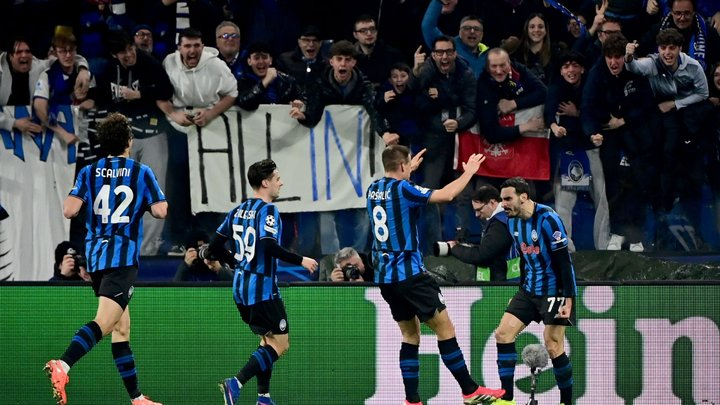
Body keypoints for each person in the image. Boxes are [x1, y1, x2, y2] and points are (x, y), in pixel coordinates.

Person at [45, 112, 168, 405]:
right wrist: (142, 205)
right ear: (129, 141)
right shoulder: (141, 171)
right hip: (121, 259)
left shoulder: (89, 172)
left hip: (97, 258)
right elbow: (160, 210)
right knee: (103, 322)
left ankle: (136, 398)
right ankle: (63, 364)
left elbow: (69, 210)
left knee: (121, 328)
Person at [366, 145, 505, 405]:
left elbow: (394, 188)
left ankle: (412, 400)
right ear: (403, 166)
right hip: (409, 274)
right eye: (407, 165)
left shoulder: (373, 189)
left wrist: (407, 169)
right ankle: (470, 390)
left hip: (385, 278)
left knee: (410, 336)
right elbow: (447, 195)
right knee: (445, 329)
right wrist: (469, 172)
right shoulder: (404, 188)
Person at [216, 159, 318, 405]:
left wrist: (235, 262)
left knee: (267, 341)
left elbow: (213, 247)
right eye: (277, 179)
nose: (281, 183)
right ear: (265, 183)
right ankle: (235, 382)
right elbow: (268, 246)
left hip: (240, 290)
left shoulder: (237, 211)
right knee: (280, 344)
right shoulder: (268, 211)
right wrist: (301, 260)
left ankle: (263, 398)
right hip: (261, 290)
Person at [493, 177, 577, 405]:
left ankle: (566, 402)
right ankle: (507, 399)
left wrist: (569, 299)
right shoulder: (512, 222)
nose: (503, 204)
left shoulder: (549, 219)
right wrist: (520, 291)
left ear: (524, 197)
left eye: (507, 199)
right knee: (502, 334)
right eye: (501, 199)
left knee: (553, 345)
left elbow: (564, 262)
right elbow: (523, 259)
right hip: (529, 291)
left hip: (554, 291)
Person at [93, 29, 176, 255]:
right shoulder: (108, 70)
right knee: (119, 192)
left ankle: (148, 248)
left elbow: (166, 90)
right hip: (122, 139)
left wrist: (139, 95)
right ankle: (119, 244)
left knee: (153, 191)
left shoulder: (149, 63)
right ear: (114, 55)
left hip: (152, 135)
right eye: (123, 53)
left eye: (131, 49)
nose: (129, 55)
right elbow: (101, 96)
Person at [625, 28, 711, 220]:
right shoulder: (653, 62)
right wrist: (629, 56)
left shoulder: (693, 66)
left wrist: (675, 103)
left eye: (672, 48)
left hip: (684, 111)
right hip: (657, 109)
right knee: (653, 150)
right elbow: (634, 67)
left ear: (680, 48)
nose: (667, 52)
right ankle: (657, 201)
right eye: (663, 48)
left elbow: (703, 93)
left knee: (672, 152)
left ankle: (674, 198)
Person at [545, 50, 610, 251]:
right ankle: (566, 247)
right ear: (561, 71)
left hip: (590, 148)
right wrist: (555, 128)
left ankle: (603, 245)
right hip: (569, 152)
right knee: (564, 202)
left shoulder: (592, 86)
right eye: (566, 66)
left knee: (602, 198)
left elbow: (599, 113)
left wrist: (578, 113)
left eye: (575, 65)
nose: (571, 70)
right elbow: (549, 114)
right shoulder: (556, 88)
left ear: (582, 69)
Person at [447, 185, 519, 281]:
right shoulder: (504, 219)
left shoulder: (500, 224)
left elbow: (482, 255)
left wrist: (454, 248)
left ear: (492, 202)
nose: (476, 215)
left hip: (506, 283)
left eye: (479, 209)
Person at [421, 0, 488, 77]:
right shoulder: (449, 47)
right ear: (460, 32)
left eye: (476, 29)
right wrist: (439, 1)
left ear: (482, 35)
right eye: (467, 28)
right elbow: (428, 26)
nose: (472, 32)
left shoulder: (489, 55)